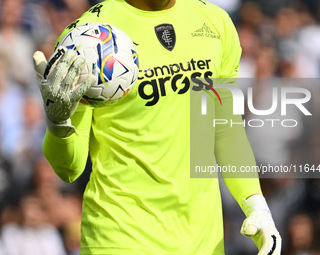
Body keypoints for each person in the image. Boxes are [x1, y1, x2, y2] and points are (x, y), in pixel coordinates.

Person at [33, 0, 282, 254]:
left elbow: (226, 130)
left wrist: (256, 206)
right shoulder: (87, 35)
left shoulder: (216, 22)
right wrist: (58, 121)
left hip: (203, 242)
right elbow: (69, 169)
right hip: (119, 236)